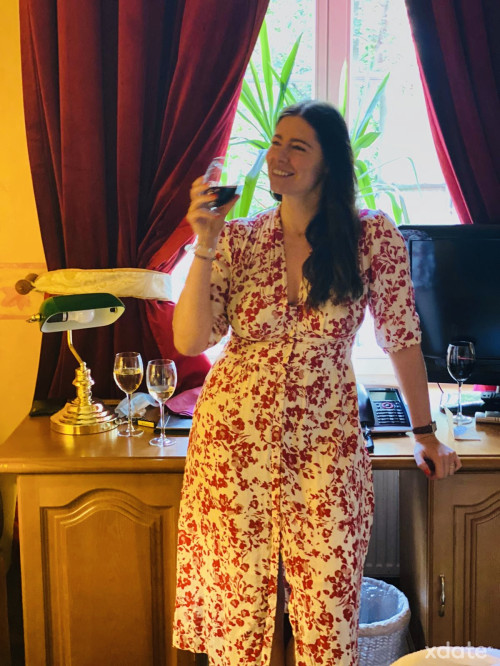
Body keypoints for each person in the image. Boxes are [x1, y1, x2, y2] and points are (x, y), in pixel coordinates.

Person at [172, 100, 461, 666]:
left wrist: (425, 432)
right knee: (243, 609)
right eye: (275, 143)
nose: (278, 156)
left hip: (325, 446)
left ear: (329, 162)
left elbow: (401, 338)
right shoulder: (239, 239)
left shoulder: (369, 235)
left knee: (326, 608)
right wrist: (205, 239)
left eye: (297, 146)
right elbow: (190, 339)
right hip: (234, 447)